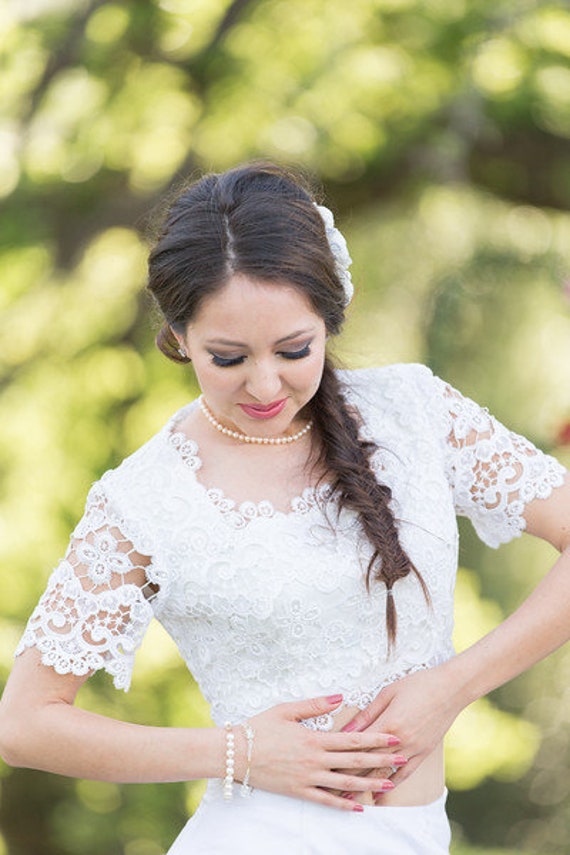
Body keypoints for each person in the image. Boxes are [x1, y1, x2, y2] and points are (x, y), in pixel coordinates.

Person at [0, 161, 569, 855]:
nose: (265, 383)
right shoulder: (145, 499)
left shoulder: (413, 413)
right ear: (178, 337)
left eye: (294, 348)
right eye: (228, 357)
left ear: (332, 316)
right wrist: (238, 752)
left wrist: (453, 686)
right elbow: (24, 723)